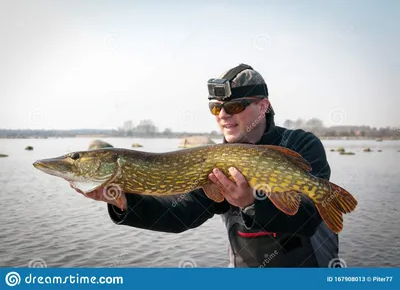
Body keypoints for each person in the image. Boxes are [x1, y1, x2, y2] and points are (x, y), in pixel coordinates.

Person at [75, 63, 339, 267]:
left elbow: (309, 217)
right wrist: (124, 202)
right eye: (216, 108)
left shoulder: (301, 144)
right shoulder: (214, 160)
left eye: (234, 105)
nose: (223, 115)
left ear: (263, 106)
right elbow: (181, 214)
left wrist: (251, 202)